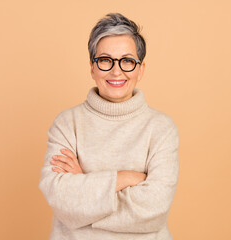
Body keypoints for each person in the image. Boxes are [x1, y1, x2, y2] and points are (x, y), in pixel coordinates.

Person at [39, 13, 179, 240]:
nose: (116, 71)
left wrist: (84, 187)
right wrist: (124, 178)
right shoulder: (66, 124)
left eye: (127, 60)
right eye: (105, 60)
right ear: (92, 68)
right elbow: (61, 200)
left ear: (141, 69)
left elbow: (155, 208)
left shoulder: (161, 128)